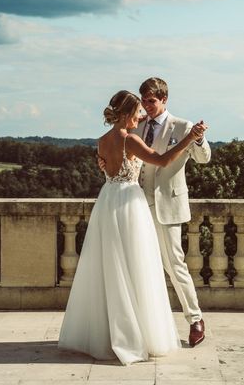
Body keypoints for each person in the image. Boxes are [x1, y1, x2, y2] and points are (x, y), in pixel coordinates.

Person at [58, 90, 207, 365]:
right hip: (129, 203)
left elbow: (105, 166)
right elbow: (161, 161)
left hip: (107, 201)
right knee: (137, 266)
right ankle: (135, 335)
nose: (141, 116)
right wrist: (188, 139)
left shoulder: (102, 141)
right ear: (127, 114)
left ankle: (106, 334)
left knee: (109, 266)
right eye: (138, 111)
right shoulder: (131, 140)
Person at [134, 77, 211, 347]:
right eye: (143, 100)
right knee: (140, 263)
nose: (146, 105)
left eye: (151, 101)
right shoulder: (138, 125)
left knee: (174, 264)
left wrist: (199, 140)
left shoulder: (183, 126)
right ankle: (145, 325)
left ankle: (195, 319)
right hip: (137, 205)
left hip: (168, 204)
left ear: (164, 99)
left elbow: (204, 159)